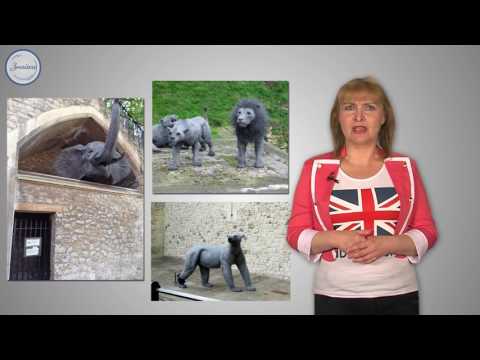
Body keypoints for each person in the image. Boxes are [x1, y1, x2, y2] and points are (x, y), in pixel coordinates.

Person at [287, 77, 438, 315]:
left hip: (398, 295)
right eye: (349, 107)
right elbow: (296, 233)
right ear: (338, 117)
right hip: (334, 296)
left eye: (369, 107)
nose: (359, 116)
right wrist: (339, 239)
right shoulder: (315, 168)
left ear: (383, 117)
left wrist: (387, 244)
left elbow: (426, 230)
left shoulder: (405, 166)